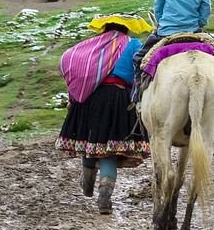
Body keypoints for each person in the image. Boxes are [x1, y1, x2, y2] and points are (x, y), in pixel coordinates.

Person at [54, 13, 152, 215]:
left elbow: (71, 61)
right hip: (117, 98)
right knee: (108, 150)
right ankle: (104, 199)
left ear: (105, 27)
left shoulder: (90, 45)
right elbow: (139, 73)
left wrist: (73, 98)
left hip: (88, 98)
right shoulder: (132, 44)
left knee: (91, 142)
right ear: (127, 28)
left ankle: (88, 183)